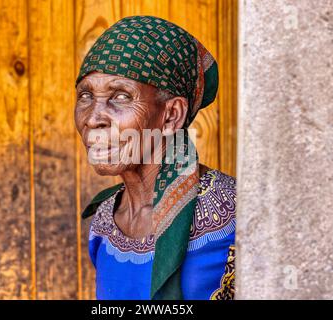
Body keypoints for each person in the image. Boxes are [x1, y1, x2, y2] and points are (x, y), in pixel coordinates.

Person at [75, 16, 236, 300]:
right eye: (86, 95)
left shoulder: (235, 214)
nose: (93, 117)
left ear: (171, 115)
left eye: (121, 96)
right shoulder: (103, 222)